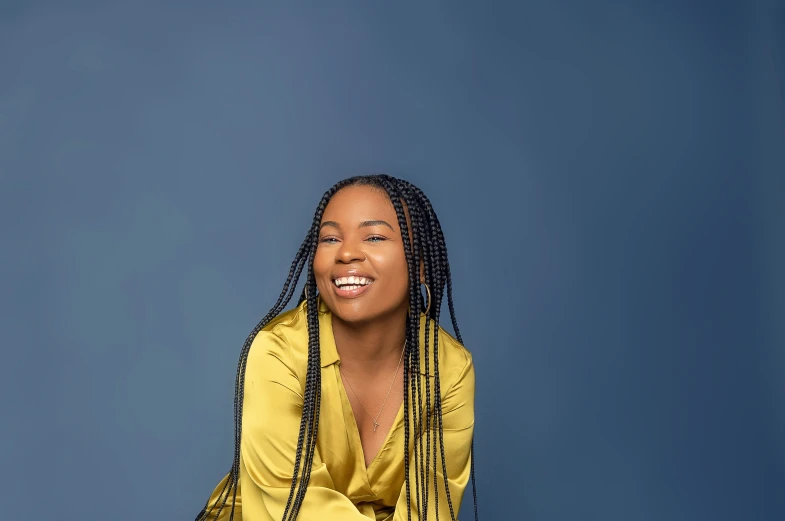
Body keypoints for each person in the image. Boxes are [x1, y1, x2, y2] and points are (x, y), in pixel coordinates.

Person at [195, 174, 478, 521]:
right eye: (330, 238)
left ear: (420, 265)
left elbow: (431, 511)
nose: (345, 253)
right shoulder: (277, 353)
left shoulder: (448, 368)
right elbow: (295, 508)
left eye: (374, 237)